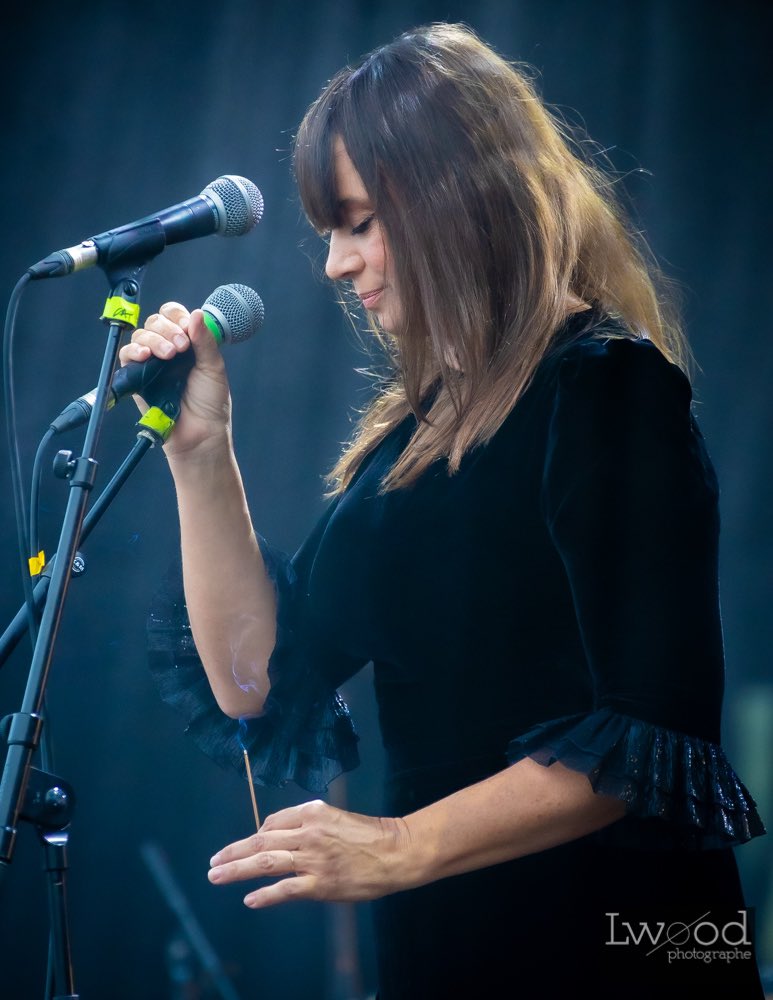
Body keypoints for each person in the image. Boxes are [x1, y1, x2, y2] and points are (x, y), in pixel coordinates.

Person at [129, 23, 766, 999]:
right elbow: (256, 680)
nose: (336, 264)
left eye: (356, 221)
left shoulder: (604, 388)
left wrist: (399, 843)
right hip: (447, 949)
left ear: (454, 193)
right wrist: (201, 453)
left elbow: (651, 733)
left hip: (615, 946)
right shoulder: (411, 441)